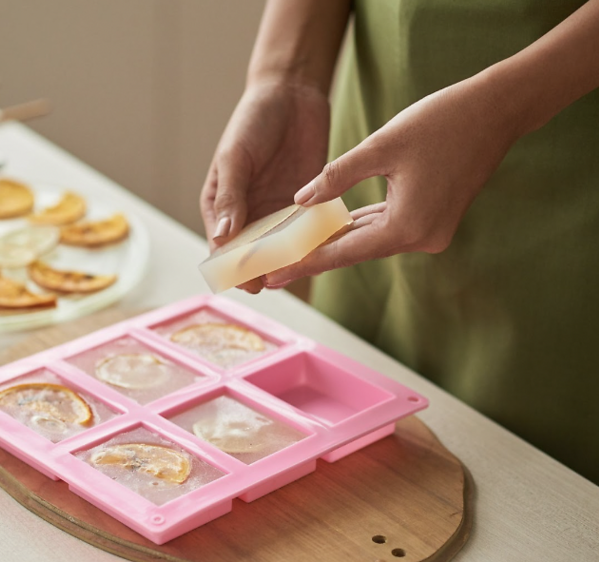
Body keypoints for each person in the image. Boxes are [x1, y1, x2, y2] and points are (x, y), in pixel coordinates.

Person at [200, 0, 599, 484]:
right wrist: (286, 77)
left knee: (533, 492)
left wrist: (501, 108)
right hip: (377, 128)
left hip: (573, 163)